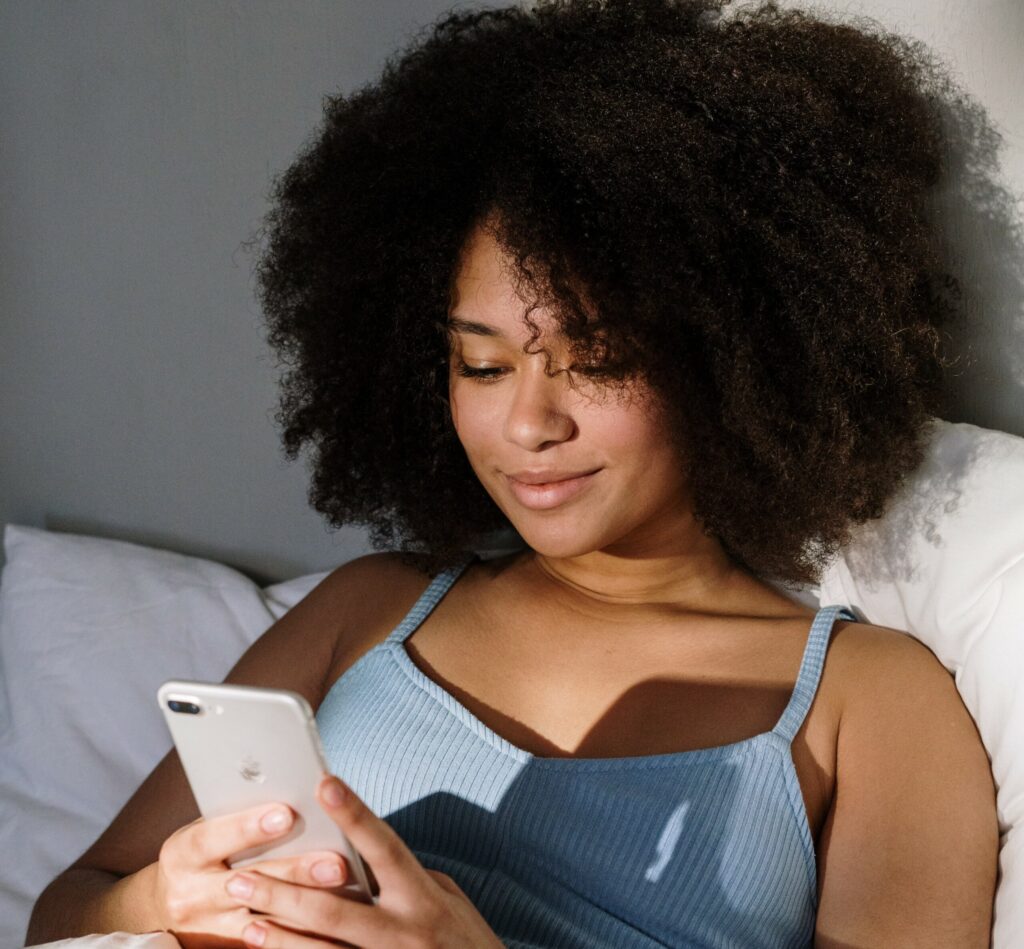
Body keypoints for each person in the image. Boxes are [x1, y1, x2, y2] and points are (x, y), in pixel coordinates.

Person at [28, 0, 1001, 946]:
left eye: (597, 359)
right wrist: (164, 900)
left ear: (731, 359)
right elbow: (65, 908)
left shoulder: (866, 697)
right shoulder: (368, 611)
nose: (529, 422)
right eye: (483, 364)